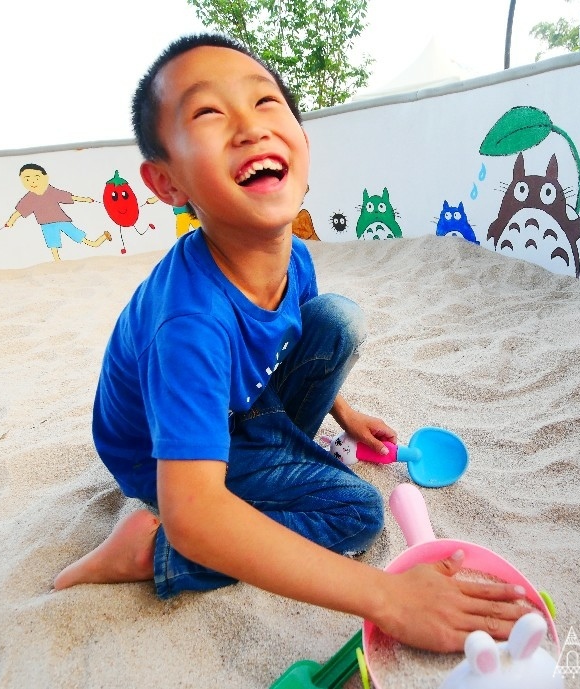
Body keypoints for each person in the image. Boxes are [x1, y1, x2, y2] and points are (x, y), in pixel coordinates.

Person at [52, 33, 528, 653]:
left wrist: (346, 415)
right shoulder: (190, 323)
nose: (250, 128)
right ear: (167, 182)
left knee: (337, 320)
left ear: (302, 141)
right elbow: (196, 515)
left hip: (239, 407)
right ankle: (146, 553)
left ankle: (287, 446)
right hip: (165, 461)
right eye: (208, 113)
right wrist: (389, 597)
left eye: (266, 102)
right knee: (356, 512)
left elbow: (298, 335)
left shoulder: (293, 257)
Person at [5, 164, 112, 260]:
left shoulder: (51, 191)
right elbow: (18, 212)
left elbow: (69, 197)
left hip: (62, 220)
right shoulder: (29, 198)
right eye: (27, 179)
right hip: (46, 225)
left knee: (81, 238)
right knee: (53, 246)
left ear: (45, 178)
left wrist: (86, 199)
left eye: (36, 177)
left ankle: (100, 240)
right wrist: (11, 221)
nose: (32, 182)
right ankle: (58, 263)